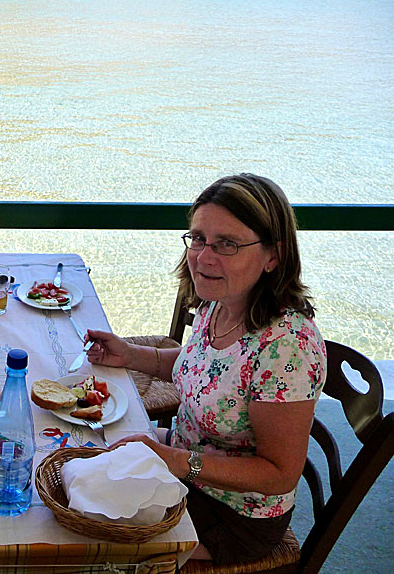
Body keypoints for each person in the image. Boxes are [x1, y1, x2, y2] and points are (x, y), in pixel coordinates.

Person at [86, 174, 326, 565]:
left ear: (274, 255)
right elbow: (195, 368)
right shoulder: (222, 302)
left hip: (232, 515)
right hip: (181, 462)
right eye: (198, 238)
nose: (203, 257)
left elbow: (280, 473)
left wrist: (180, 462)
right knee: (70, 456)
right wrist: (128, 354)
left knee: (90, 540)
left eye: (227, 244)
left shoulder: (287, 348)